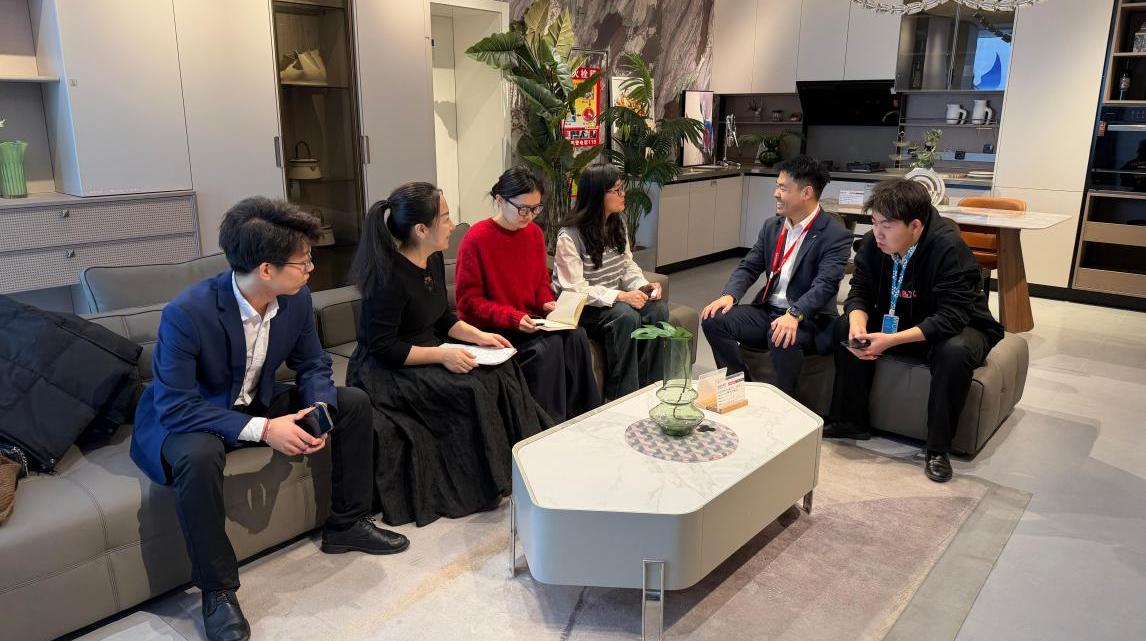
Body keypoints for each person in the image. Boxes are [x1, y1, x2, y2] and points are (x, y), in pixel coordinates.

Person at [131, 197, 408, 641]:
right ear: (265, 269)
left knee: (352, 402)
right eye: (304, 261)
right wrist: (265, 430)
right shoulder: (186, 312)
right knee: (198, 457)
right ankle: (218, 590)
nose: (311, 268)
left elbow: (313, 364)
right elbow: (176, 404)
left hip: (252, 400)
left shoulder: (294, 300)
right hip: (190, 415)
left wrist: (319, 409)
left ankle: (347, 524)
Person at [346, 182, 551, 527]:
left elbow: (442, 316)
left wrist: (480, 337)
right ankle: (484, 483)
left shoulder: (433, 258)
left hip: (428, 347)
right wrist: (442, 357)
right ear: (420, 230)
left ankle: (519, 465)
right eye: (444, 218)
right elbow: (384, 348)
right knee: (470, 389)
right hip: (386, 370)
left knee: (503, 369)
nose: (453, 225)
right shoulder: (389, 277)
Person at [824, 179, 1004, 483]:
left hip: (960, 325)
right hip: (902, 318)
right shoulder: (873, 244)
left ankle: (938, 449)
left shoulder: (948, 248)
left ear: (916, 226)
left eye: (887, 226)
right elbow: (860, 291)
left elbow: (952, 316)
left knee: (954, 352)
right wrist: (857, 322)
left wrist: (891, 340)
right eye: (874, 223)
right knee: (845, 327)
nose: (878, 233)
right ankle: (850, 420)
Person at [454, 167, 601, 422]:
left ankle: (586, 416)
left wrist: (546, 302)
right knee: (547, 349)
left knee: (576, 335)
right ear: (500, 200)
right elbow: (469, 301)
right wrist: (512, 317)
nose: (530, 216)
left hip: (530, 322)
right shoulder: (476, 238)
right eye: (523, 209)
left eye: (535, 209)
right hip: (493, 329)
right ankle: (546, 425)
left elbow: (540, 282)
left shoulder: (533, 234)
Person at [700, 156, 851, 396]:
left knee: (780, 335)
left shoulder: (834, 235)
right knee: (713, 319)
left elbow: (826, 285)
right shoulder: (773, 226)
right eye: (776, 186)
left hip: (809, 319)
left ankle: (785, 401)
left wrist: (795, 313)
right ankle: (739, 388)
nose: (776, 194)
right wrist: (730, 295)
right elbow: (749, 266)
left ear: (807, 192)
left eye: (783, 188)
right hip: (768, 311)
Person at [552, 164, 667, 401]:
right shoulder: (570, 235)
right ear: (597, 195)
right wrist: (621, 296)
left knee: (657, 309)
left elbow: (626, 266)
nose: (623, 194)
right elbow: (574, 289)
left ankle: (650, 388)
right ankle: (623, 397)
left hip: (611, 303)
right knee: (626, 316)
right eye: (617, 190)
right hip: (582, 308)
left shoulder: (617, 223)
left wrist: (643, 286)